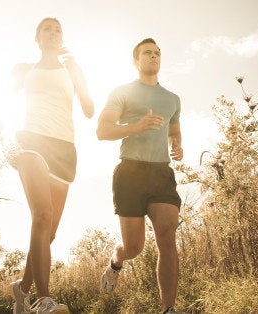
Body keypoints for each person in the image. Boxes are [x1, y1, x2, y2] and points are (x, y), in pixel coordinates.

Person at [8, 17, 94, 314]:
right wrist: (3, 140)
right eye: (48, 28)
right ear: (37, 37)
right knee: (42, 215)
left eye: (58, 29)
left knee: (50, 231)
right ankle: (43, 299)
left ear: (62, 38)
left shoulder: (72, 69)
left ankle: (22, 290)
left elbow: (88, 109)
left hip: (64, 149)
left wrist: (76, 75)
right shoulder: (23, 70)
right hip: (31, 142)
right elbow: (2, 103)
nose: (54, 32)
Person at [96, 38, 183, 314]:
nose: (154, 56)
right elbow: (103, 131)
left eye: (157, 52)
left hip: (161, 172)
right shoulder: (122, 93)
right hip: (130, 172)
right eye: (147, 53)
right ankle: (117, 259)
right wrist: (136, 126)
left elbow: (173, 130)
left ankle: (168, 309)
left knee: (167, 236)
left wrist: (177, 144)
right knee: (134, 247)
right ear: (136, 61)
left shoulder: (172, 99)